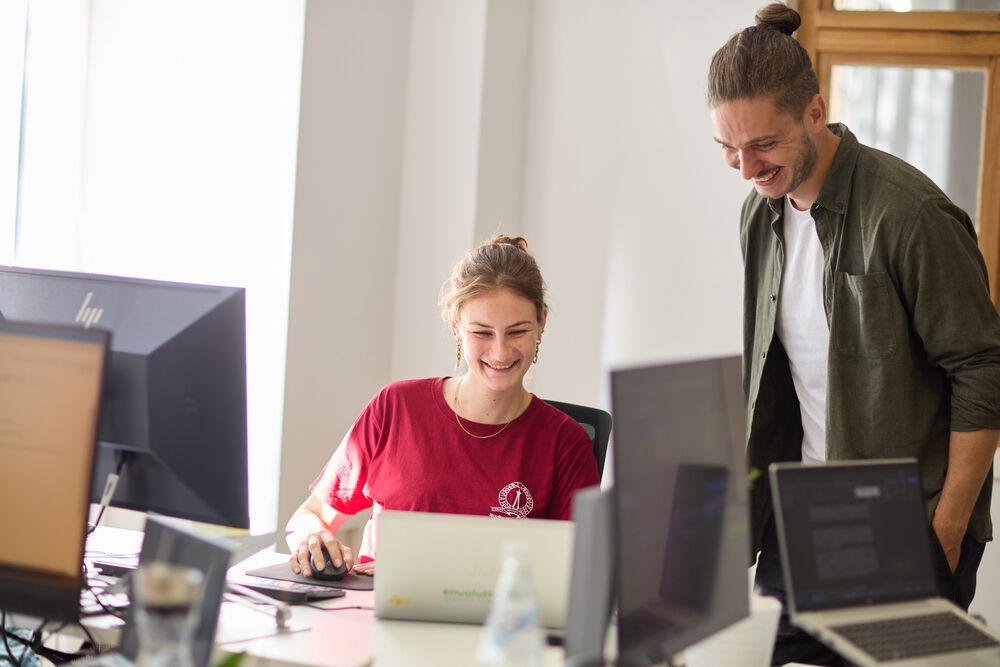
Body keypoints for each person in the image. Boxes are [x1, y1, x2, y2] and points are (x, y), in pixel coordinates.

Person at [707, 4, 1000, 665]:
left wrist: (946, 528)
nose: (746, 169)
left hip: (907, 522)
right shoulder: (761, 221)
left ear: (814, 111)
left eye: (763, 144)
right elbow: (775, 379)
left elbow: (984, 368)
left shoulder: (909, 213)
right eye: (728, 147)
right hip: (799, 510)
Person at [285, 235, 600, 578]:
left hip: (493, 627)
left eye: (517, 331)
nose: (500, 351)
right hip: (376, 618)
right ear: (455, 327)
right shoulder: (396, 407)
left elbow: (575, 575)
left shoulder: (566, 442)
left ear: (542, 322)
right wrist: (310, 535)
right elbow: (312, 514)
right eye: (482, 332)